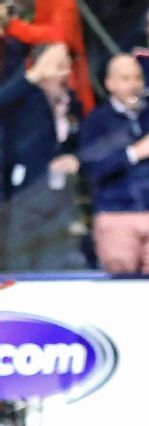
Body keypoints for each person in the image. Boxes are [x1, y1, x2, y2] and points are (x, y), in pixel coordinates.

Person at [79, 54, 149, 275]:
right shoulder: (97, 121)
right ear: (109, 83)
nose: (133, 85)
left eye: (137, 78)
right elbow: (92, 167)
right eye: (125, 79)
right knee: (119, 289)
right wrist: (135, 152)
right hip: (116, 216)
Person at [0, 42, 82, 271]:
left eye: (67, 66)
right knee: (19, 263)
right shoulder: (24, 97)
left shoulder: (71, 102)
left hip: (61, 198)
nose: (65, 72)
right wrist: (33, 76)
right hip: (23, 196)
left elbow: (80, 141)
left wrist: (74, 158)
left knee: (56, 264)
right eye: (57, 66)